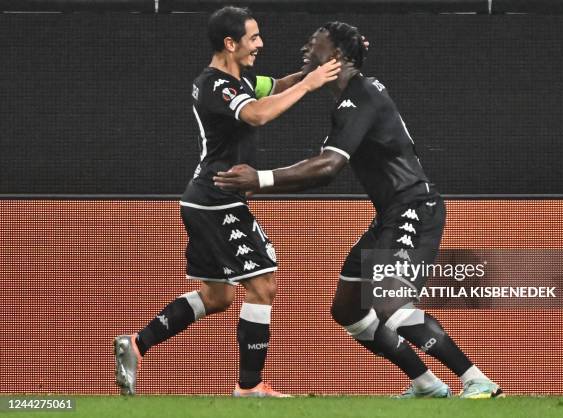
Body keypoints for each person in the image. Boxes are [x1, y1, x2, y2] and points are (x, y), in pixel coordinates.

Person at [214, 21, 504, 399]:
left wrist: (261, 179)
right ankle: (426, 384)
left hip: (414, 209)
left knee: (390, 302)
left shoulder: (361, 95)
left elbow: (327, 168)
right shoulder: (353, 95)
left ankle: (477, 379)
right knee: (347, 308)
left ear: (336, 57)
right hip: (390, 214)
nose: (305, 50)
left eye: (313, 46)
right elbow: (317, 168)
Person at [113, 6, 340, 398]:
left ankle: (135, 344)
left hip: (205, 199)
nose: (260, 44)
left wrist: (314, 69)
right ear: (230, 43)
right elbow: (256, 114)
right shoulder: (218, 85)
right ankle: (250, 387)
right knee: (263, 285)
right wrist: (309, 85)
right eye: (253, 38)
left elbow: (276, 85)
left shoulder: (239, 78)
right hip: (218, 198)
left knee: (218, 296)